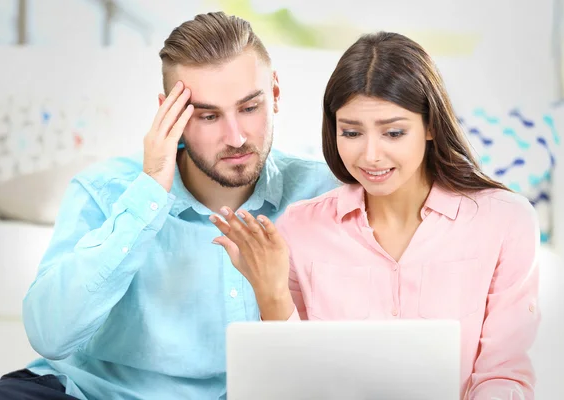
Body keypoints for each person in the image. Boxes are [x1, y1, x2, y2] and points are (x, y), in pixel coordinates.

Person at [0, 12, 339, 400]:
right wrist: (149, 193)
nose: (236, 137)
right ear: (170, 114)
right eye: (208, 116)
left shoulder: (323, 193)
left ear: (275, 93)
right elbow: (49, 335)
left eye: (249, 108)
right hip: (87, 393)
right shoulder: (104, 191)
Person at [211, 31, 541, 399]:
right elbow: (291, 383)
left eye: (393, 132)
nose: (370, 156)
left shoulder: (504, 221)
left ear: (431, 125)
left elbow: (504, 374)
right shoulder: (300, 228)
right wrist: (269, 290)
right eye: (351, 132)